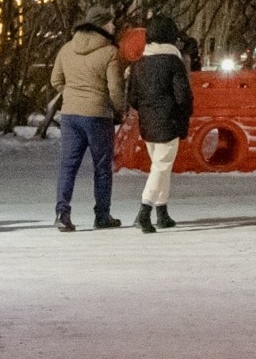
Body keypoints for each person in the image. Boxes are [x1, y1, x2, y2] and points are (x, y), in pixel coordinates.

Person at [47, 14, 124, 231]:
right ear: (100, 24)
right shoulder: (110, 52)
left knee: (68, 165)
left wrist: (72, 94)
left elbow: (55, 80)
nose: (114, 25)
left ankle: (62, 213)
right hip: (98, 115)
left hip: (70, 115)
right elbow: (115, 89)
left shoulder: (66, 48)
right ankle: (102, 215)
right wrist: (119, 109)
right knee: (101, 168)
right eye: (110, 22)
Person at [125, 15, 195, 234]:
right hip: (169, 120)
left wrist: (148, 109)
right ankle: (144, 211)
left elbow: (133, 98)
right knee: (161, 166)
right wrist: (185, 113)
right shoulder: (173, 62)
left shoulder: (140, 64)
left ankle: (162, 212)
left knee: (160, 166)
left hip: (148, 122)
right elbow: (182, 95)